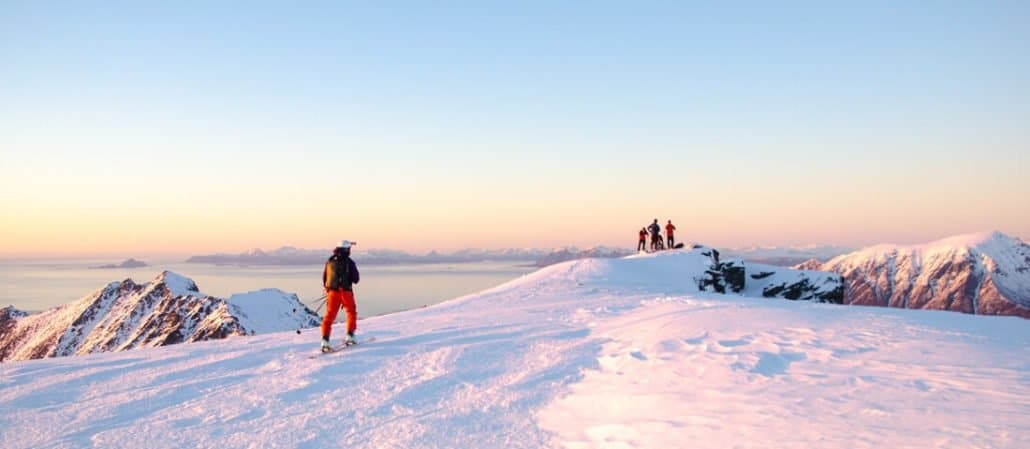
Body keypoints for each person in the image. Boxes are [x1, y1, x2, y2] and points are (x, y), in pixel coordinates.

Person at [321, 240, 360, 352]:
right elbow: (356, 279)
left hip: (332, 293)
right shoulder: (349, 262)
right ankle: (350, 336)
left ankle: (325, 340)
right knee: (351, 312)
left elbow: (325, 279)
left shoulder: (329, 261)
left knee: (329, 317)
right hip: (345, 292)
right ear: (347, 249)